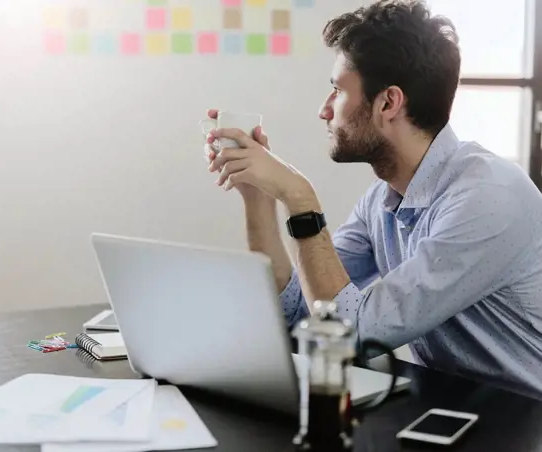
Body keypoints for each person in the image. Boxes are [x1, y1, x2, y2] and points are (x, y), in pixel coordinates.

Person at [204, 0, 542, 399]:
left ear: (388, 103)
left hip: (523, 421)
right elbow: (300, 315)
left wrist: (299, 196)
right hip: (444, 408)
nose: (323, 111)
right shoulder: (383, 198)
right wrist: (259, 198)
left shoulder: (487, 198)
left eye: (336, 90)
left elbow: (352, 336)